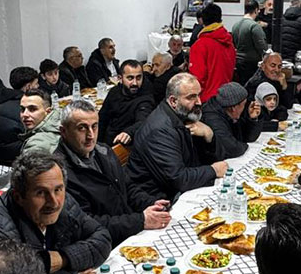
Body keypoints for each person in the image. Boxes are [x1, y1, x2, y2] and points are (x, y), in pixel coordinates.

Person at [0, 152, 110, 274]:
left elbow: (103, 238)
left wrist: (61, 258)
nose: (53, 202)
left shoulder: (64, 202)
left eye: (58, 189)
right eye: (40, 193)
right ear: (18, 197)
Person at [56, 100, 169, 246]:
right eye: (82, 128)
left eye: (94, 127)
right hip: (104, 244)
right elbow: (86, 223)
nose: (91, 135)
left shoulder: (104, 151)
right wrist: (140, 220)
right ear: (63, 131)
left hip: (130, 230)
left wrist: (150, 203)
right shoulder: (59, 173)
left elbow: (126, 186)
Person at [127, 73, 229, 204]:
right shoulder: (160, 130)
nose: (199, 102)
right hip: (156, 201)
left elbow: (213, 158)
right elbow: (178, 179)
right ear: (173, 101)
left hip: (177, 191)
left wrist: (209, 135)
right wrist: (213, 170)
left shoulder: (186, 116)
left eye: (199, 95)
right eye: (191, 97)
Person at [0, 66, 40, 165]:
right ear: (29, 87)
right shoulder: (26, 109)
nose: (38, 87)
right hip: (19, 156)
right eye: (36, 84)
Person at [188, 3, 236, 102]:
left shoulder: (200, 45)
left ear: (202, 21)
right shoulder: (229, 43)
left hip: (208, 99)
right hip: (227, 97)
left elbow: (197, 77)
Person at [98, 60, 153, 146]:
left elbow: (143, 121)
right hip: (106, 141)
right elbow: (102, 118)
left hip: (125, 144)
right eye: (130, 78)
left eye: (138, 78)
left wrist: (129, 132)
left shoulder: (145, 98)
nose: (135, 83)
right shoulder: (114, 92)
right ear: (120, 78)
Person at [201, 82, 262, 159]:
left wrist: (252, 119)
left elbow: (248, 138)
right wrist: (247, 146)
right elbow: (232, 148)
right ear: (233, 108)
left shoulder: (230, 113)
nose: (245, 107)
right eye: (244, 104)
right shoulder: (212, 119)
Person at [231, 0, 267, 86]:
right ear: (255, 10)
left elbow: (234, 43)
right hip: (252, 63)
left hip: (238, 62)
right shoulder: (254, 26)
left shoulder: (235, 25)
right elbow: (262, 47)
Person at [20, 88, 63, 155]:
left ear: (48, 111)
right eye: (22, 109)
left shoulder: (36, 146)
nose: (25, 114)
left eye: (32, 109)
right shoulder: (60, 122)